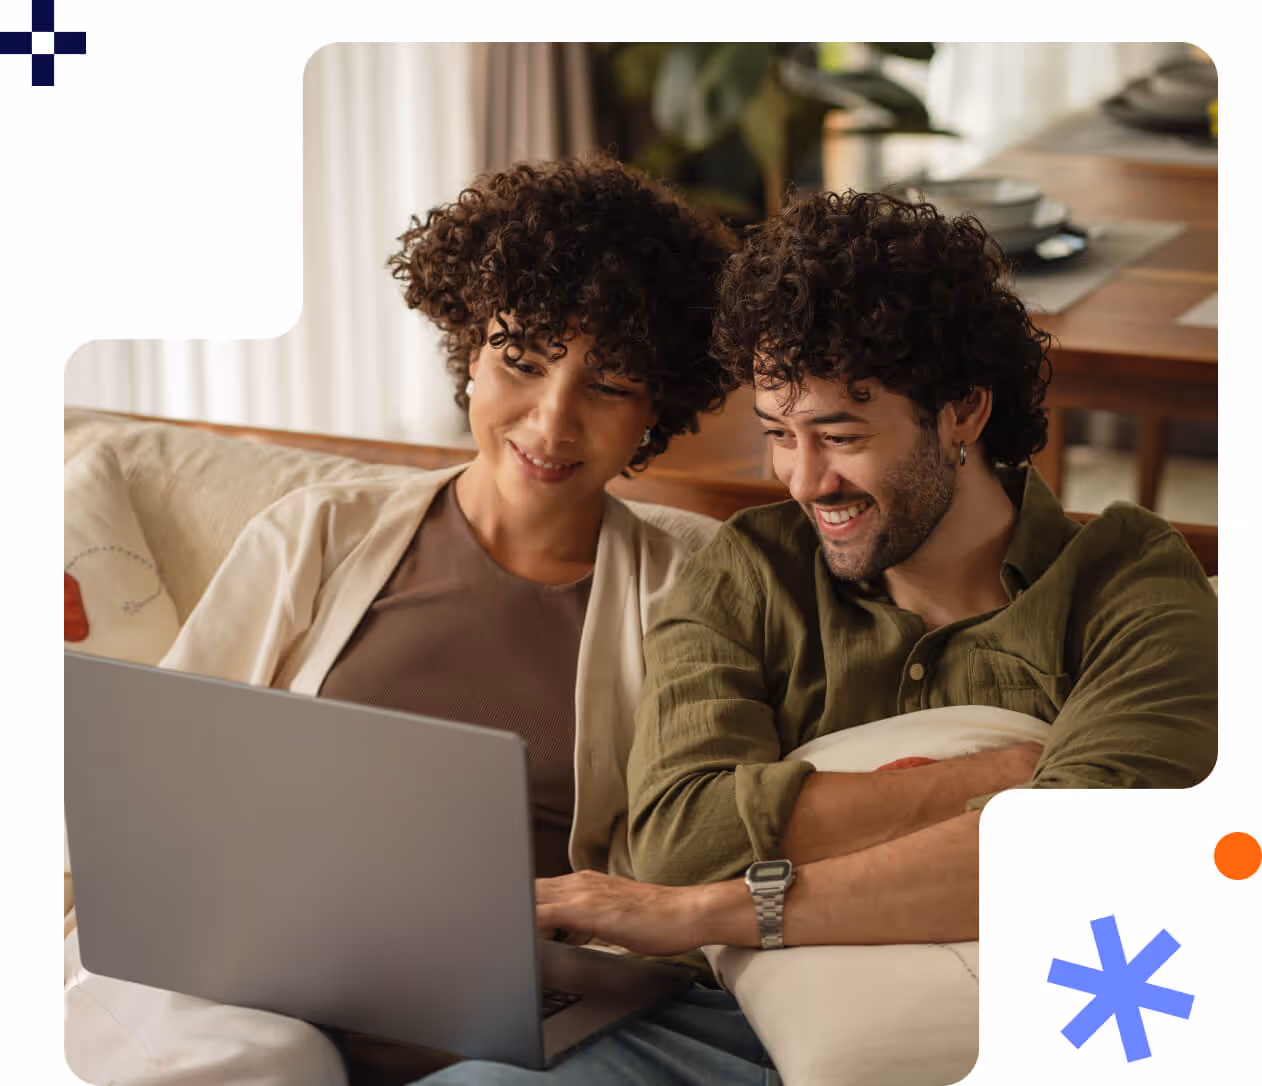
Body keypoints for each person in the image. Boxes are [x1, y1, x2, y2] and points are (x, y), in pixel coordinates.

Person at [421, 189, 1216, 1083]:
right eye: (779, 435)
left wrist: (712, 911)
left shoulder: (1127, 582)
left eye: (840, 435)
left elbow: (1081, 859)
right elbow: (681, 836)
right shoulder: (751, 571)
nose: (804, 480)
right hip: (729, 1030)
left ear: (962, 411)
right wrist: (992, 782)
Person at [63, 154, 761, 1086]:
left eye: (607, 384)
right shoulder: (319, 532)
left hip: (506, 1006)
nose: (552, 421)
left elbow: (696, 861)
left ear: (655, 409)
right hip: (248, 970)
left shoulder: (689, 596)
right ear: (470, 353)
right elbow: (163, 779)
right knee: (275, 1062)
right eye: (522, 362)